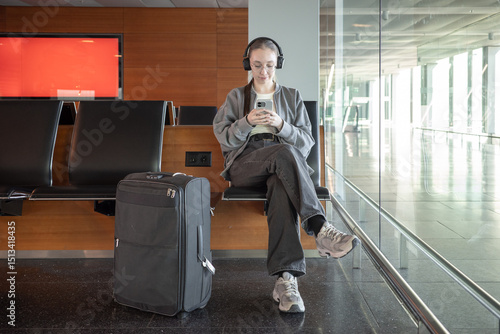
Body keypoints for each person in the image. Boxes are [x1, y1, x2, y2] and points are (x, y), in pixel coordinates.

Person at [213, 37, 359, 313]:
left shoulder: (291, 96)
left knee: (281, 185)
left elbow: (306, 142)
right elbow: (224, 139)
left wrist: (281, 125)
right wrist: (246, 123)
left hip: (284, 165)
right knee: (284, 154)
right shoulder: (236, 97)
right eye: (257, 65)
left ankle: (286, 280)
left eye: (269, 65)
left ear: (277, 64)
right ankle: (320, 227)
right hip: (246, 164)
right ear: (248, 64)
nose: (263, 72)